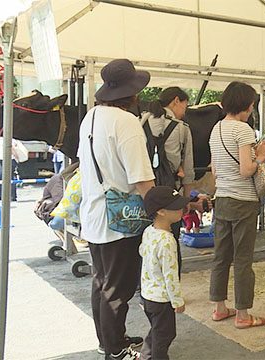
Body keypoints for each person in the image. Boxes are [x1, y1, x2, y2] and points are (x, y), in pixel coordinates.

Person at [77, 58, 155, 360]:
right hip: (120, 219)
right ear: (132, 92)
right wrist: (163, 207)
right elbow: (142, 179)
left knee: (101, 283)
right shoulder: (127, 122)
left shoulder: (91, 116)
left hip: (94, 214)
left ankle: (108, 339)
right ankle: (116, 349)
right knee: (117, 289)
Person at [208, 81, 265, 329]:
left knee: (221, 257)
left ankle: (220, 308)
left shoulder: (216, 128)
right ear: (247, 105)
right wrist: (261, 156)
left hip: (222, 199)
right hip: (243, 202)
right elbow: (247, 170)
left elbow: (214, 170)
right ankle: (243, 315)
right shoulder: (243, 130)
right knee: (243, 259)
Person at [142, 87, 197, 275]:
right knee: (171, 239)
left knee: (147, 237)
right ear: (176, 101)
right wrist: (187, 198)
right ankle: (172, 285)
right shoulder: (181, 128)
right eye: (185, 105)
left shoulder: (141, 121)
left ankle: (147, 285)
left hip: (144, 190)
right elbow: (187, 168)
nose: (185, 111)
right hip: (169, 192)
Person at [139, 186, 188, 360]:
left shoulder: (149, 231)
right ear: (161, 211)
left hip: (148, 294)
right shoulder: (168, 240)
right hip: (162, 298)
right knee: (165, 335)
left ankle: (145, 355)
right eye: (175, 206)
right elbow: (170, 274)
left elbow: (142, 252)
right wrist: (177, 300)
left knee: (157, 329)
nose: (181, 209)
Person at [0, 137, 28, 201]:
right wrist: (17, 158)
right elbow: (12, 149)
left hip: (4, 160)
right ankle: (12, 196)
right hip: (10, 160)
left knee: (2, 178)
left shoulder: (5, 138)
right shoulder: (12, 139)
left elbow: (11, 148)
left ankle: (2, 195)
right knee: (10, 177)